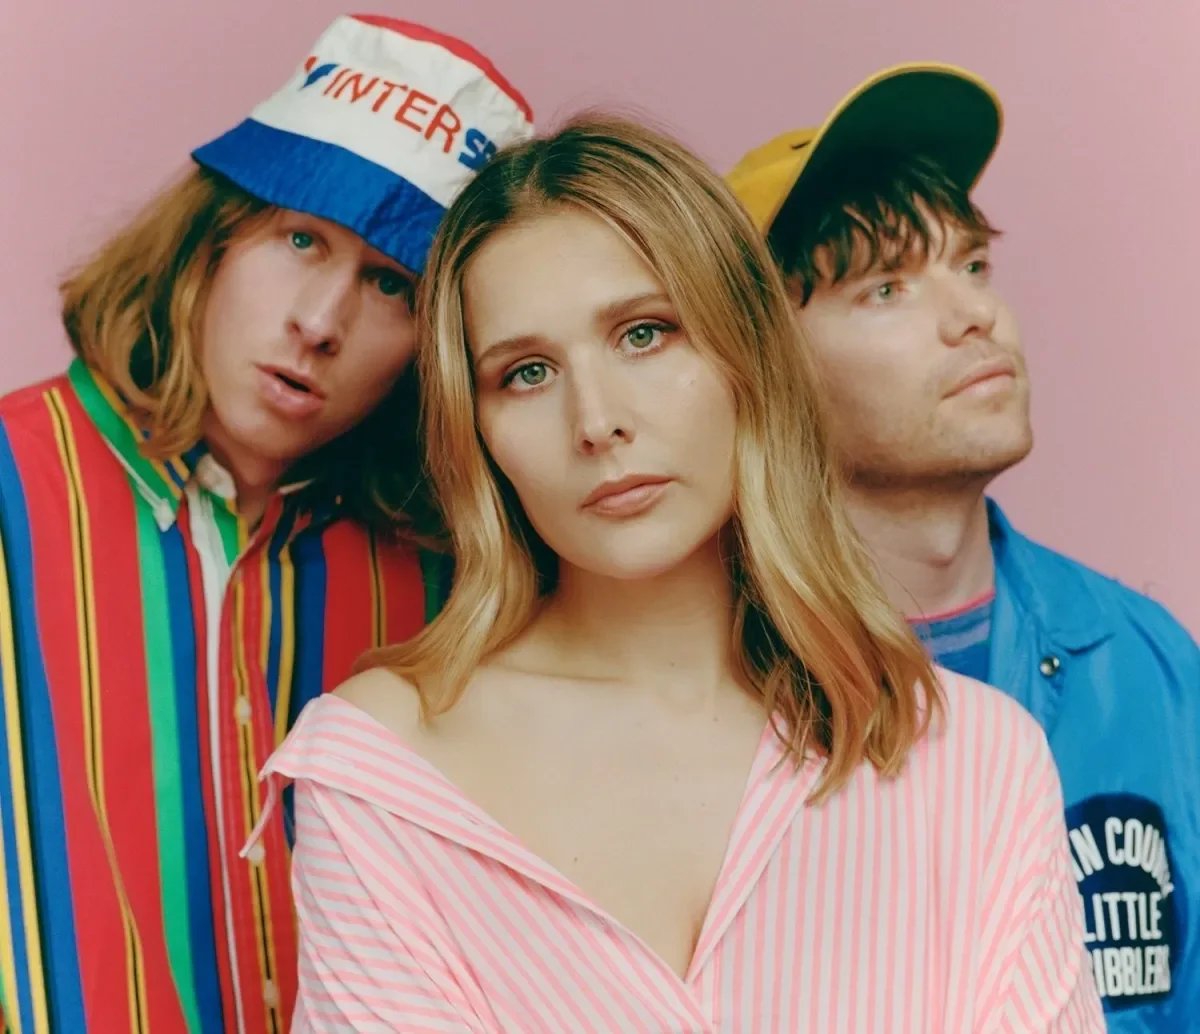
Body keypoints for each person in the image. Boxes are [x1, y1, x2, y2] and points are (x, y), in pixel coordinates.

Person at [255, 114, 1103, 1032]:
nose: (597, 420)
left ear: (750, 356)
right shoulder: (386, 772)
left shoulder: (973, 759)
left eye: (646, 334)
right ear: (478, 434)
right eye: (528, 372)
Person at [0, 15, 532, 1032]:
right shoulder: (10, 487)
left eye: (392, 284)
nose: (321, 321)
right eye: (301, 240)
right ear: (212, 235)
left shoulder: (442, 579)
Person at [727, 62, 1200, 1029]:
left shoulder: (1152, 661)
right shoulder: (707, 684)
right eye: (887, 288)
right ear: (763, 370)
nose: (974, 315)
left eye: (973, 265)